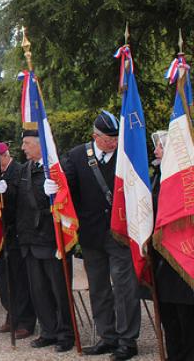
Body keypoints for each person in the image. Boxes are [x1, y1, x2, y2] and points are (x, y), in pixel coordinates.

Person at [63, 111, 140, 360]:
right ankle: (107, 336)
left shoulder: (126, 155)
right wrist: (54, 190)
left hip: (121, 232)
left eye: (116, 138)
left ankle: (127, 340)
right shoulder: (77, 156)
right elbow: (70, 191)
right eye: (109, 139)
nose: (114, 143)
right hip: (92, 233)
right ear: (95, 136)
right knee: (98, 287)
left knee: (124, 287)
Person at [15, 130, 74, 352]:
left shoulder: (59, 167)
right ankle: (48, 331)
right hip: (30, 239)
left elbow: (69, 198)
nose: (23, 147)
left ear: (41, 145)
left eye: (27, 143)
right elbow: (18, 201)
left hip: (51, 239)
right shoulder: (25, 169)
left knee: (59, 290)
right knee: (38, 291)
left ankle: (66, 333)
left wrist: (57, 190)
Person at [150, 131, 194, 361]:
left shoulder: (188, 179)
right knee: (169, 316)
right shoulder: (158, 176)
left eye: (160, 147)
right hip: (163, 258)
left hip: (186, 256)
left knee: (187, 317)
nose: (155, 151)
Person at [0, 142, 35, 338]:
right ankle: (12, 314)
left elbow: (21, 199)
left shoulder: (18, 170)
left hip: (15, 232)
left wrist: (6, 189)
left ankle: (25, 320)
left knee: (19, 279)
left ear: (3, 156)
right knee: (3, 277)